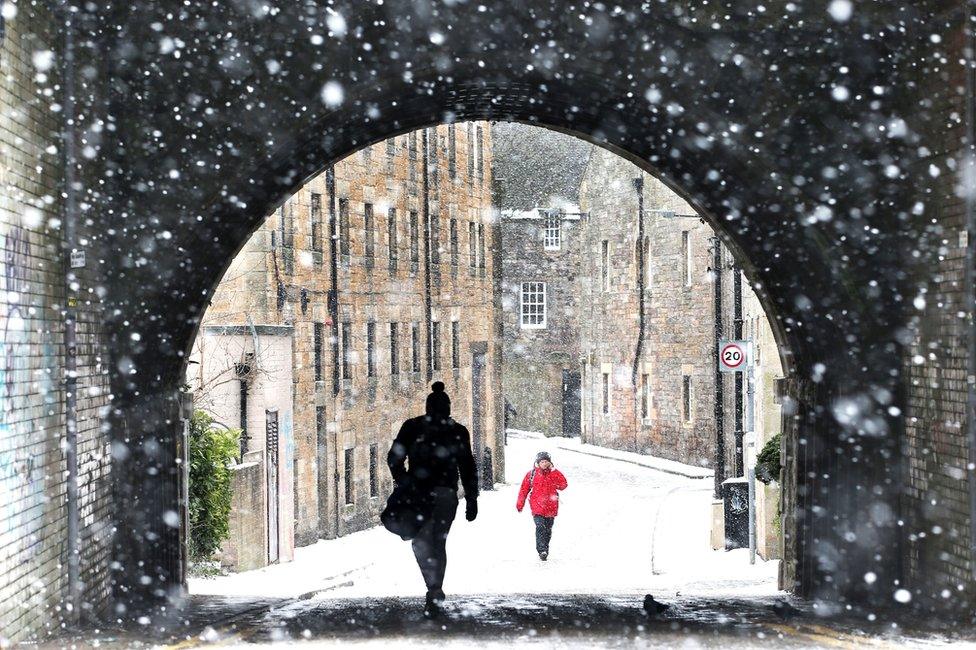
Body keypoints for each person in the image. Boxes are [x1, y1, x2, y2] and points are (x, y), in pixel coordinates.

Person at [387, 381, 478, 615]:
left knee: (421, 541)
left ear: (428, 407)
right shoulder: (457, 431)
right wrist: (471, 497)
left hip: (419, 494)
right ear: (448, 407)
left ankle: (433, 588)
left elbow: (394, 458)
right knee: (439, 541)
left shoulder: (412, 427)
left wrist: (405, 482)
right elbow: (467, 466)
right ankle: (435, 588)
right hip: (446, 494)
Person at [515, 451, 568, 561]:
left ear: (550, 463)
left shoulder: (553, 473)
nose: (544, 464)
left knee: (548, 530)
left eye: (546, 461)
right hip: (537, 507)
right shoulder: (531, 475)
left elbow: (563, 485)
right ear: (538, 462)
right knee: (540, 527)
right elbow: (524, 490)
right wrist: (520, 504)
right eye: (542, 461)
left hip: (551, 507)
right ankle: (541, 550)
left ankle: (545, 549)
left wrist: (554, 471)